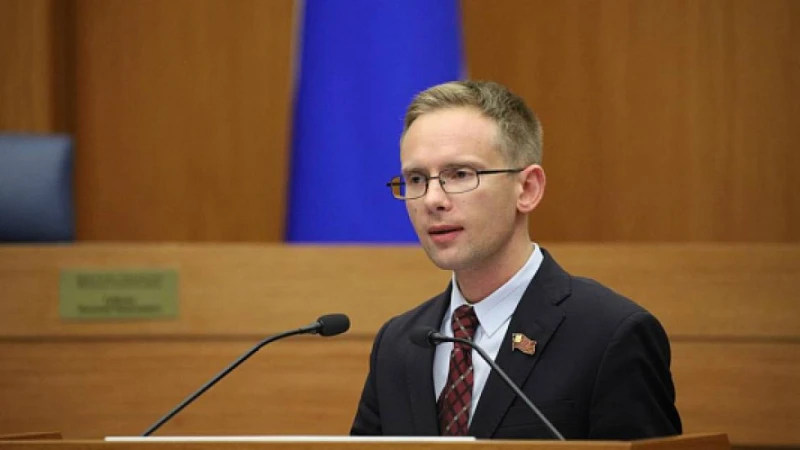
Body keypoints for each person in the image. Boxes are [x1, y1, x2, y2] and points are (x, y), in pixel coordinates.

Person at [350, 80, 682, 439]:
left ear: (527, 189)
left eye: (459, 174)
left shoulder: (610, 334)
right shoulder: (398, 343)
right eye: (416, 179)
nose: (432, 200)